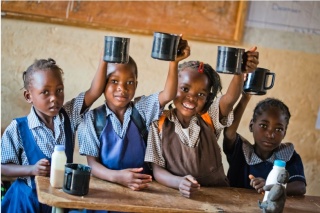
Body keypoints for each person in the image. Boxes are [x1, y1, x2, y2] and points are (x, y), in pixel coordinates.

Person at [77, 38, 190, 195]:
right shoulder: (92, 119)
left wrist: (174, 63)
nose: (122, 89)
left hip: (143, 190)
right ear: (103, 84)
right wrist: (118, 177)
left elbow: (168, 94)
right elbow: (92, 165)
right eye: (114, 81)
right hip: (107, 190)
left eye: (129, 83)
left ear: (136, 85)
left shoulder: (141, 109)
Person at [144, 47, 259, 198]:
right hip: (175, 195)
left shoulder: (209, 118)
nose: (191, 98)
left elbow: (230, 99)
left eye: (200, 94)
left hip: (217, 197)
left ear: (207, 98)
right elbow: (157, 170)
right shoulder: (158, 123)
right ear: (173, 88)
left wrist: (239, 72)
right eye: (185, 89)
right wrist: (179, 182)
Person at [1, 55, 107, 213]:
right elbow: (2, 167)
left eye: (59, 90)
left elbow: (95, 91)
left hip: (59, 200)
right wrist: (31, 170)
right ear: (28, 96)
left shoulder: (69, 116)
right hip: (27, 202)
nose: (54, 98)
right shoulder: (18, 128)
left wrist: (104, 58)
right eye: (45, 92)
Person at [223, 93, 306, 196]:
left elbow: (300, 187)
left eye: (278, 129)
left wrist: (272, 187)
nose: (270, 134)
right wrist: (245, 98)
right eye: (263, 125)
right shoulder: (241, 151)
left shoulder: (288, 155)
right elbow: (228, 134)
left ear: (284, 133)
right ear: (251, 125)